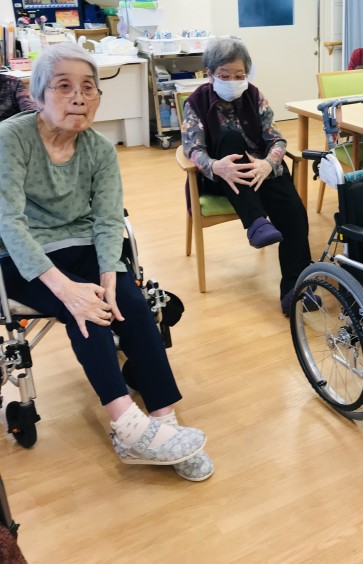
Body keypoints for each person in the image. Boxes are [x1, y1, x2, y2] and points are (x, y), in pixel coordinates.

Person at [0, 43, 213, 482]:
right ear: (38, 95)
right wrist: (67, 289)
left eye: (88, 88)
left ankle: (165, 421)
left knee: (131, 304)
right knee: (87, 312)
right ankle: (128, 428)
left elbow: (108, 219)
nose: (78, 97)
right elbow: (10, 224)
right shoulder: (10, 139)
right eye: (63, 86)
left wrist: (112, 273)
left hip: (82, 245)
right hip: (23, 258)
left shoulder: (99, 149)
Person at [182, 36, 314, 315]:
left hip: (259, 171)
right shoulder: (196, 102)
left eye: (239, 75)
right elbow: (192, 148)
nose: (232, 80)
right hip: (222, 175)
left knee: (294, 213)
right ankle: (255, 222)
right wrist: (215, 166)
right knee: (230, 138)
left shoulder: (255, 96)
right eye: (224, 75)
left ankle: (296, 288)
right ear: (209, 74)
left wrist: (267, 164)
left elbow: (276, 139)